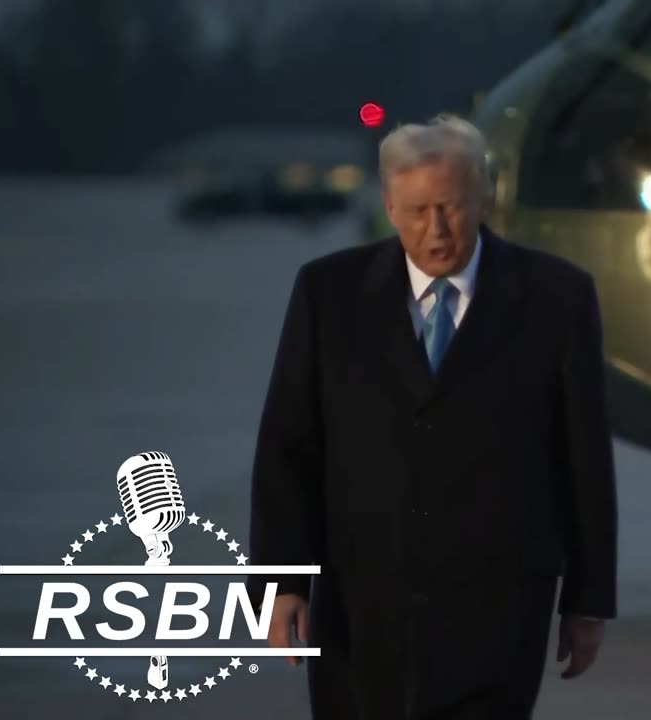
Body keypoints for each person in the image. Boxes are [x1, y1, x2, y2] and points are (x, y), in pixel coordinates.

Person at [248, 113, 618, 719]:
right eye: (418, 211)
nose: (437, 229)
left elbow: (585, 461)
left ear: (485, 200)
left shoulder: (557, 297)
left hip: (499, 613)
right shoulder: (328, 294)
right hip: (361, 610)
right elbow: (289, 447)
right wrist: (280, 585)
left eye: (451, 207)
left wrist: (587, 601)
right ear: (390, 207)